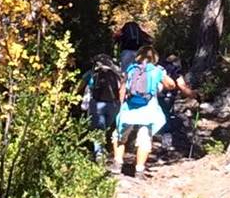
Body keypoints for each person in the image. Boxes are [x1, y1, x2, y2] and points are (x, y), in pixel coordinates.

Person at [111, 45, 176, 178]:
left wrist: (121, 105)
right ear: (155, 58)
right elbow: (171, 85)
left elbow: (122, 89)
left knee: (119, 135)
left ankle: (117, 164)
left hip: (129, 108)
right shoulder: (157, 71)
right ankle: (139, 170)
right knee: (144, 138)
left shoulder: (131, 68)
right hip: (148, 110)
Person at [77, 54, 123, 160]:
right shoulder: (116, 74)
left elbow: (79, 86)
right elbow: (122, 87)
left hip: (96, 105)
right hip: (113, 105)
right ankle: (104, 149)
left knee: (98, 130)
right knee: (105, 128)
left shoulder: (91, 73)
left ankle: (99, 154)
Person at [158, 54, 199, 149]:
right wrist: (195, 95)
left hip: (154, 97)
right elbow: (182, 86)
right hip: (167, 97)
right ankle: (166, 143)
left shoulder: (159, 69)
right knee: (166, 118)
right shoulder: (175, 70)